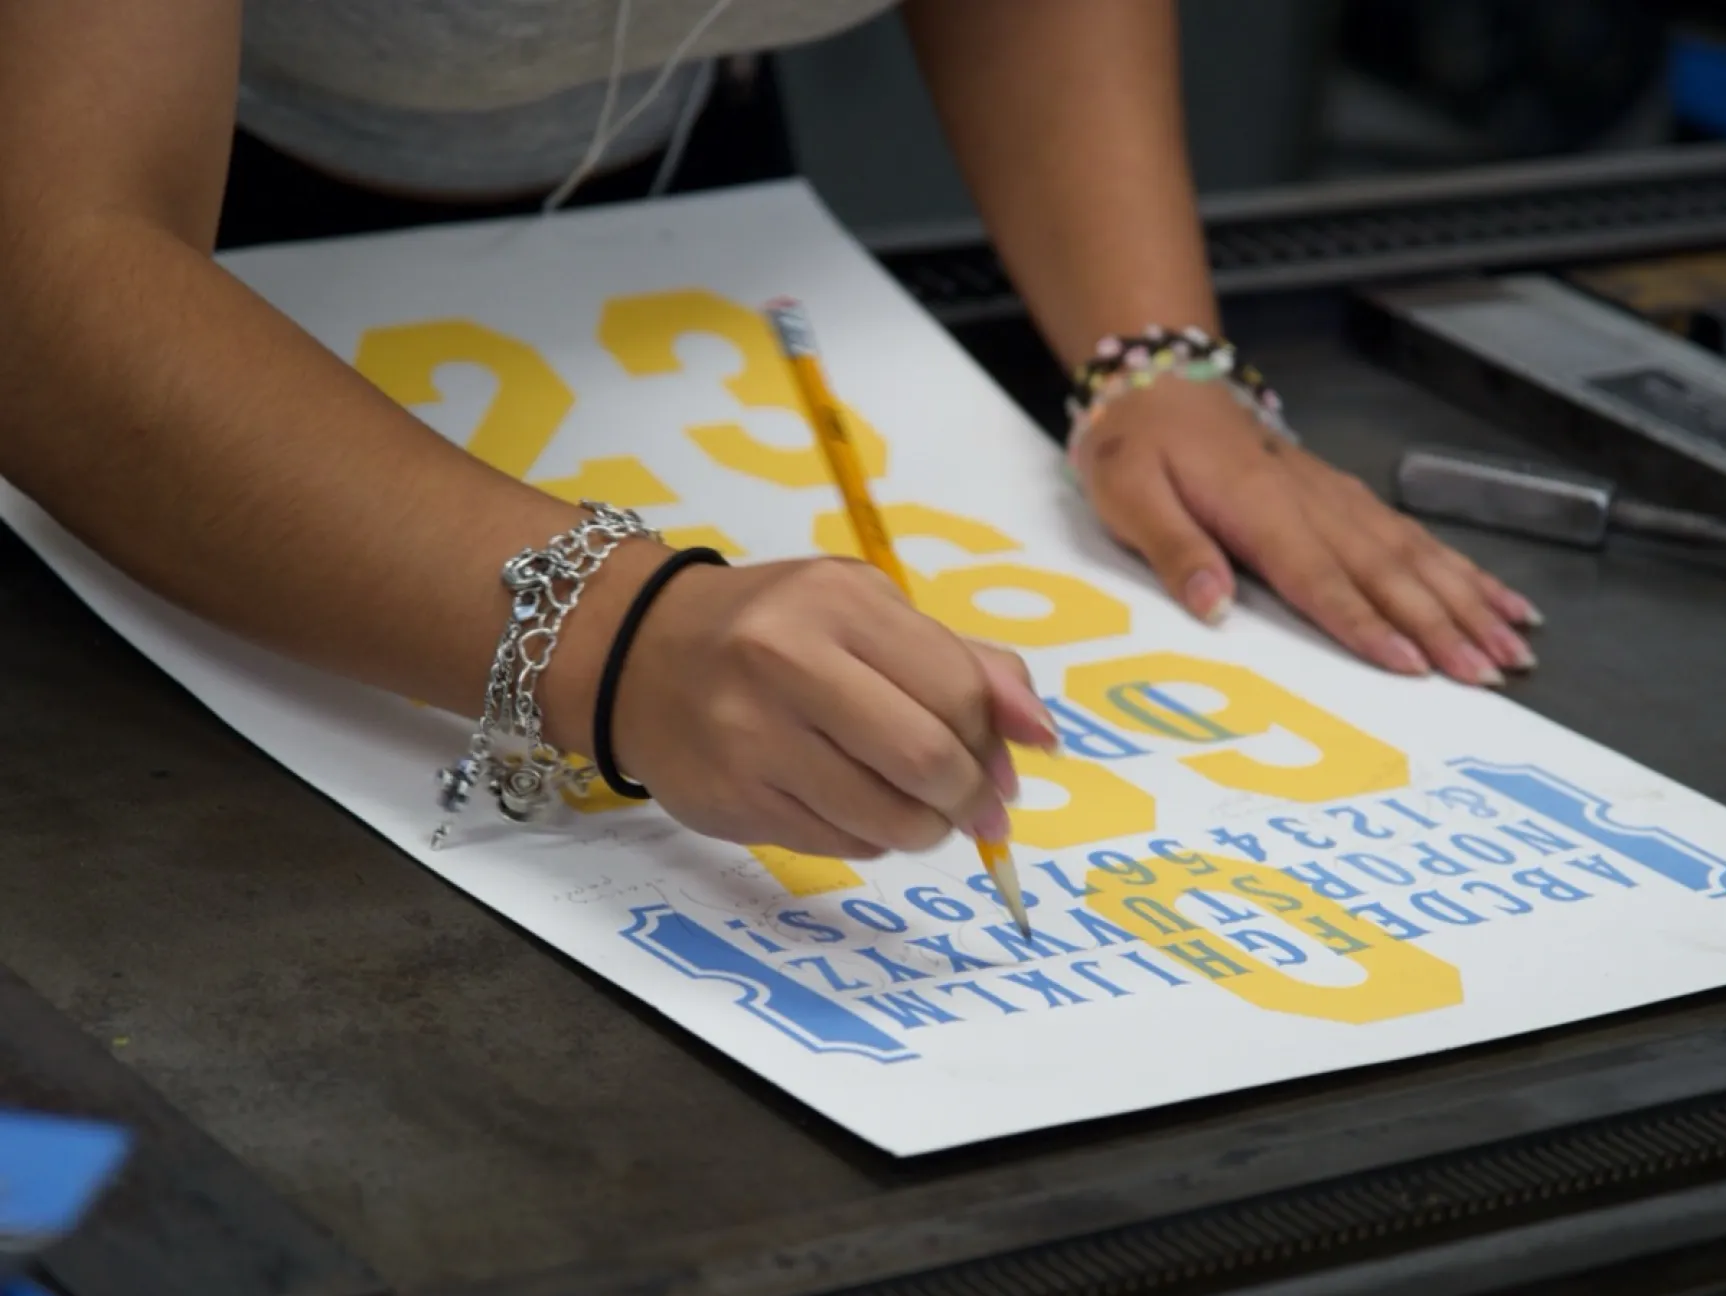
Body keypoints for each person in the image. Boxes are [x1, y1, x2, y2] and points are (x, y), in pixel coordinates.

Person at [0, 0, 1540, 867]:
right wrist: (624, 642)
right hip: (183, 255)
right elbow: (51, 280)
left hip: (670, 204)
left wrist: (1154, 349)